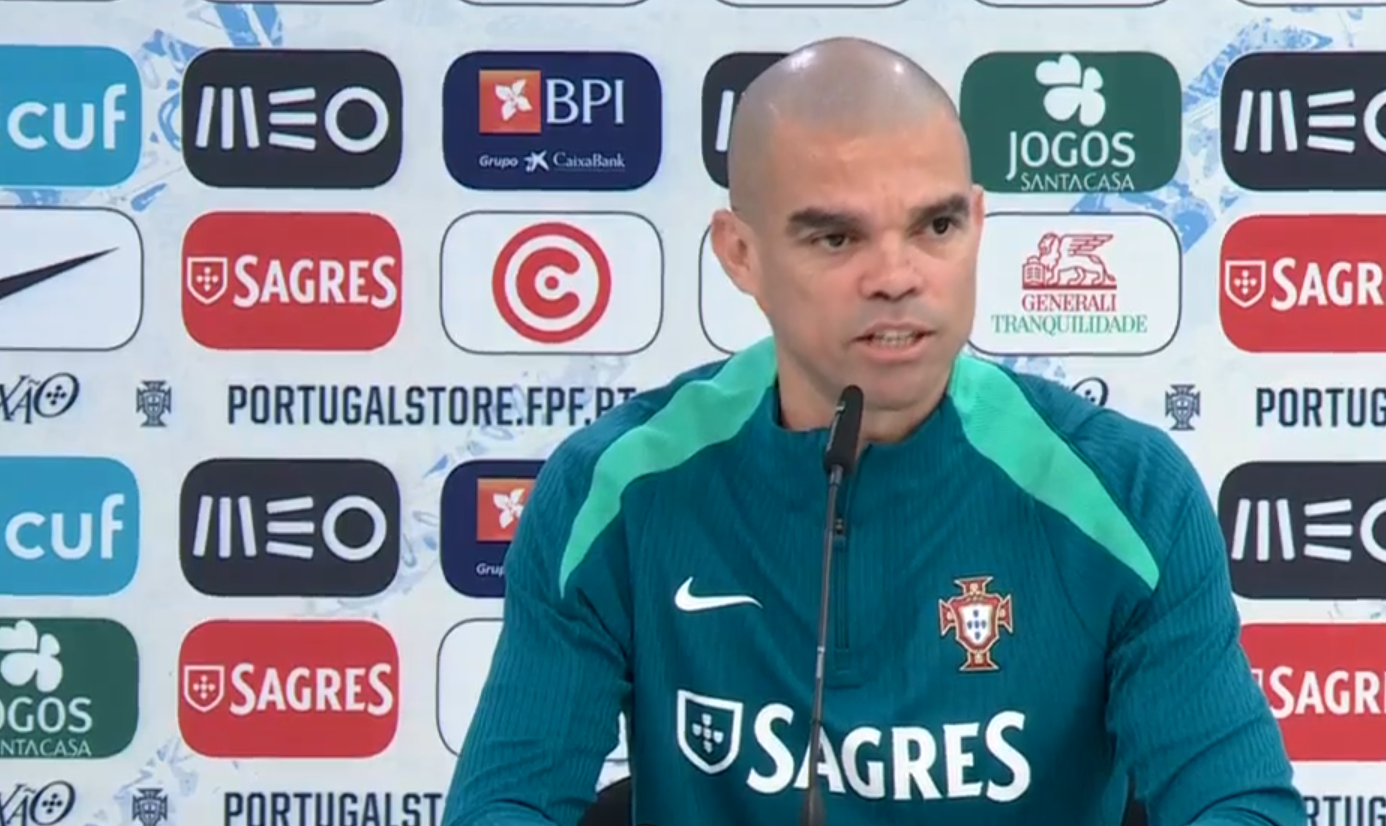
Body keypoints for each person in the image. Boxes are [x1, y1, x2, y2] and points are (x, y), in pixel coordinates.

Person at [441, 36, 1306, 826]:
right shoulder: (616, 488)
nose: (897, 276)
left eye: (937, 226)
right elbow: (505, 804)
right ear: (740, 254)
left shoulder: (1128, 492)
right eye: (836, 237)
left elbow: (1241, 805)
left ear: (978, 222)